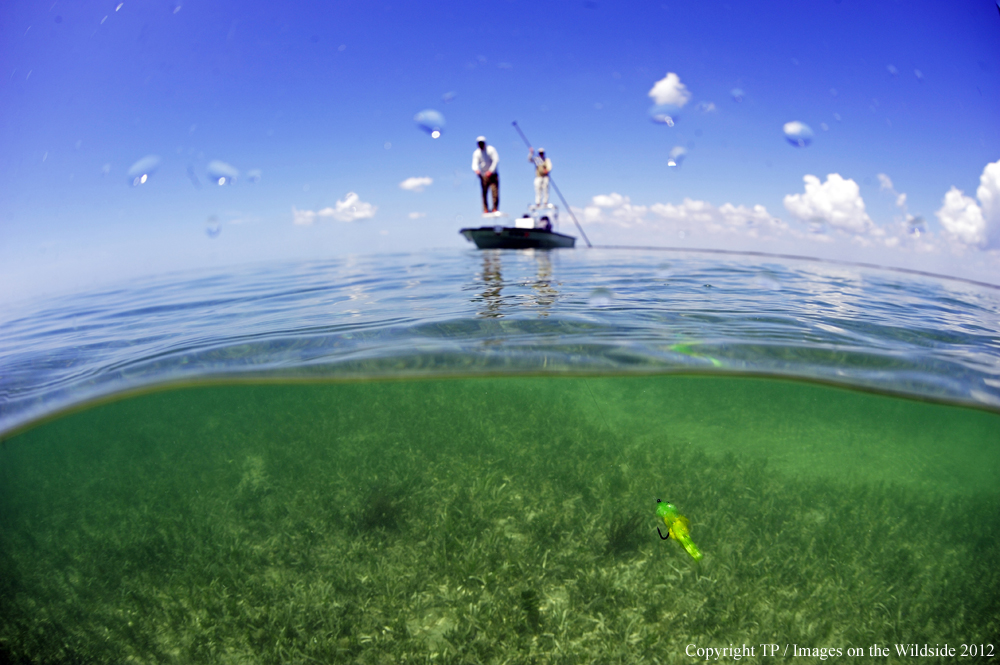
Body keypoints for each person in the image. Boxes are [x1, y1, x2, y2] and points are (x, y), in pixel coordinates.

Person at [472, 136, 500, 213]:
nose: (480, 145)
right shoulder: (476, 153)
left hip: (493, 175)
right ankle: (485, 209)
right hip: (483, 175)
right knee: (484, 192)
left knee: (494, 192)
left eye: (482, 143)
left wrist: (491, 171)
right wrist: (476, 170)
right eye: (479, 143)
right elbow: (474, 163)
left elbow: (496, 160)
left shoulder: (491, 150)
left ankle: (495, 208)